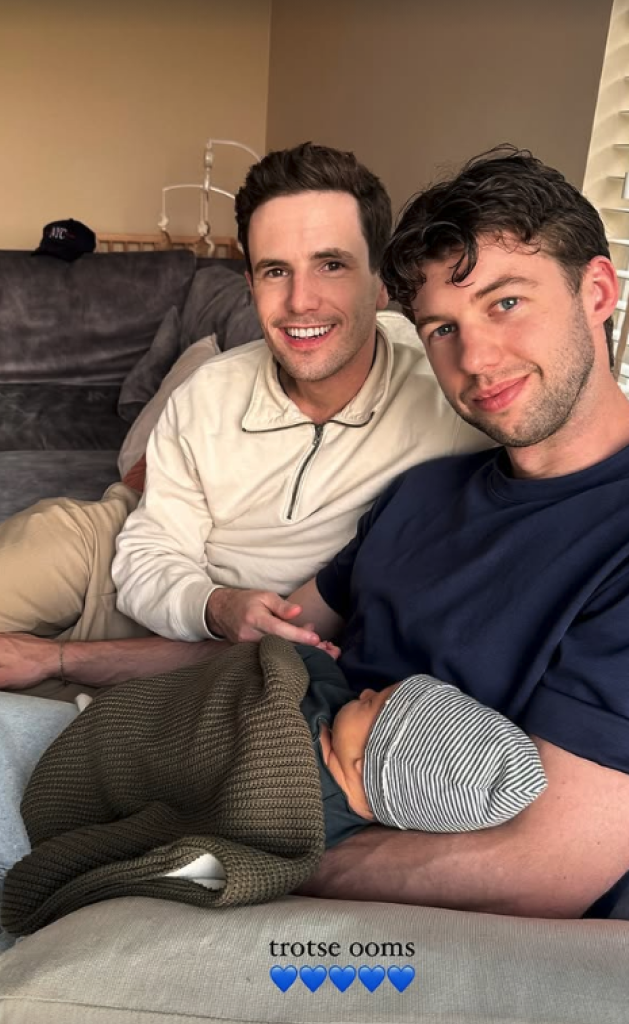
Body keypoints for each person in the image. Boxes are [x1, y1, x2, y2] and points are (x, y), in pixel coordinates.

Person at [0, 142, 484, 701]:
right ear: (251, 286)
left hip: (219, 659)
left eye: (331, 264)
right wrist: (217, 605)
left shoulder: (448, 393)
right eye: (276, 270)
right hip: (106, 556)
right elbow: (151, 548)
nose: (301, 301)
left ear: (380, 283)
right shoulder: (209, 392)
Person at [283, 146, 629, 920]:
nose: (475, 358)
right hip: (272, 779)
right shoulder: (423, 492)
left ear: (597, 291)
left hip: (445, 919)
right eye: (442, 327)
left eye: (506, 303)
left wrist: (242, 851)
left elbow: (545, 867)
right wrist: (64, 659)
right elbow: (273, 635)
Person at [0, 638, 545, 944]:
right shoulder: (331, 698)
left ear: (374, 765)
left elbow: (232, 857)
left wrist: (177, 868)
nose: (369, 690)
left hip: (90, 788)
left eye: (376, 705)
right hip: (119, 726)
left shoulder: (297, 811)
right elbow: (275, 661)